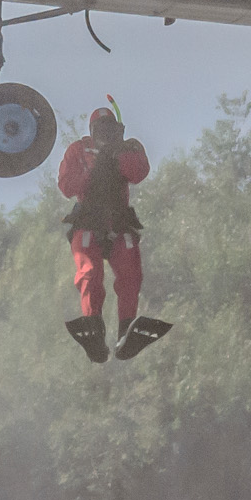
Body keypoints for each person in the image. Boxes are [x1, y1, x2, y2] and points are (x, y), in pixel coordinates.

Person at [57, 103, 165, 363]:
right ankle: (93, 323)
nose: (104, 132)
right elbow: (66, 185)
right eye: (99, 128)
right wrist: (92, 168)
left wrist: (118, 152)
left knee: (131, 273)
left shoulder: (128, 148)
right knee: (89, 272)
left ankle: (126, 327)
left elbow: (139, 172)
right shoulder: (79, 150)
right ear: (91, 130)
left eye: (109, 128)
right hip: (87, 221)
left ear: (118, 129)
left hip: (118, 223)